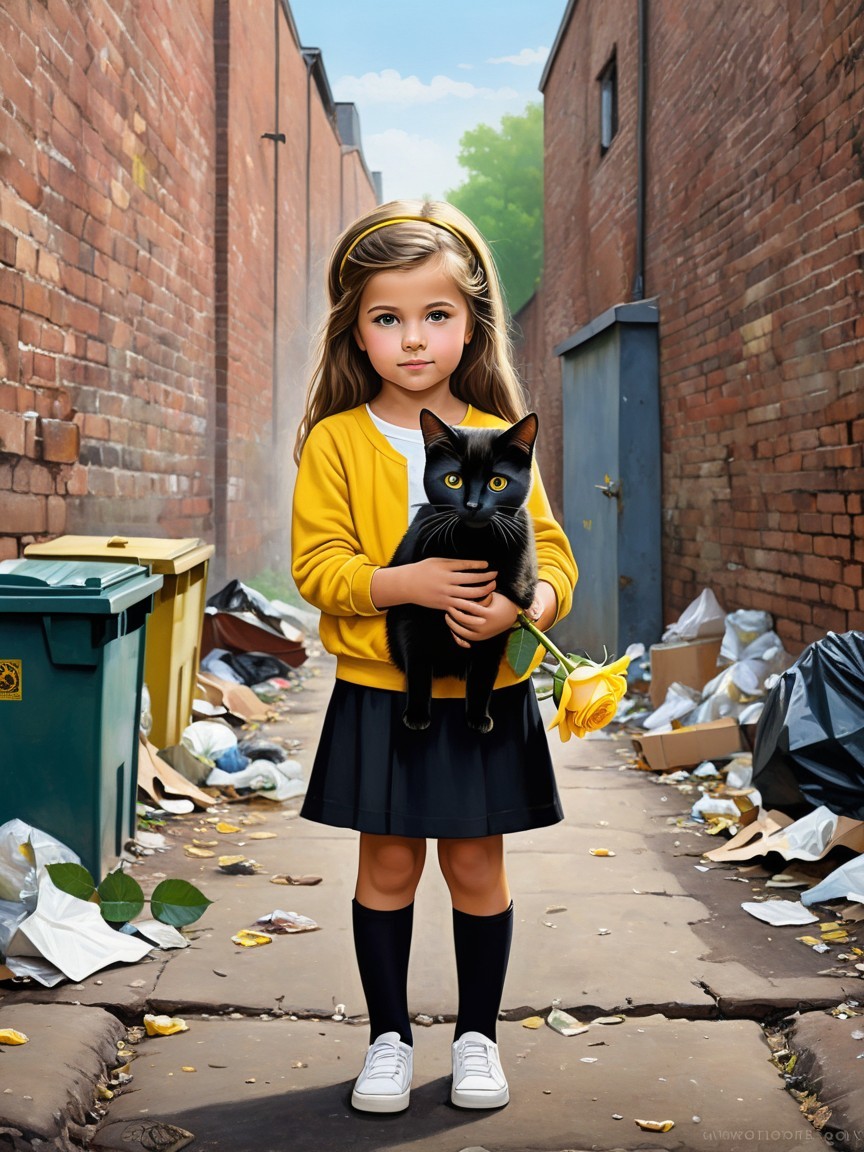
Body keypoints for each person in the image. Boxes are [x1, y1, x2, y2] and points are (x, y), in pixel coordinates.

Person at [291, 199, 577, 1114]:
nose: (413, 338)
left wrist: (523, 609)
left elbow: (554, 556)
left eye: (436, 315)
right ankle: (388, 1039)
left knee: (477, 868)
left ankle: (477, 1040)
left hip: (487, 696)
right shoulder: (338, 440)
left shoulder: (501, 432)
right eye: (388, 317)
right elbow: (317, 565)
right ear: (357, 331)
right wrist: (404, 583)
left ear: (471, 323)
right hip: (386, 693)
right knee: (386, 868)